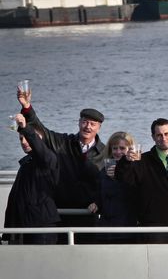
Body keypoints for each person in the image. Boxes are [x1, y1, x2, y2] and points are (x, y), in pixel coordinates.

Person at [17, 86, 104, 242]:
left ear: (99, 127)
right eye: (85, 122)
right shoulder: (63, 142)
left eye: (92, 124)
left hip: (89, 214)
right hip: (60, 212)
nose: (88, 126)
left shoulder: (105, 153)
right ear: (79, 122)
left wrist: (99, 201)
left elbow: (108, 182)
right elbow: (40, 129)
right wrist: (27, 107)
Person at [115, 118, 168, 243]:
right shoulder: (142, 161)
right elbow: (123, 178)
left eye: (166, 134)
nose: (163, 138)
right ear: (153, 137)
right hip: (152, 229)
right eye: (159, 135)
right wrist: (126, 161)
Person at [3, 114, 60, 244]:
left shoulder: (48, 159)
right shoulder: (26, 164)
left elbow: (40, 150)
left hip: (42, 227)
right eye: (21, 138)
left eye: (27, 138)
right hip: (23, 227)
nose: (23, 142)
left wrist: (25, 128)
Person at [92, 132, 139, 243]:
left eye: (122, 148)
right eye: (115, 148)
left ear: (130, 150)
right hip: (105, 229)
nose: (118, 152)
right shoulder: (103, 171)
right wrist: (95, 203)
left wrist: (122, 173)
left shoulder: (136, 170)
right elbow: (100, 194)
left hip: (127, 230)